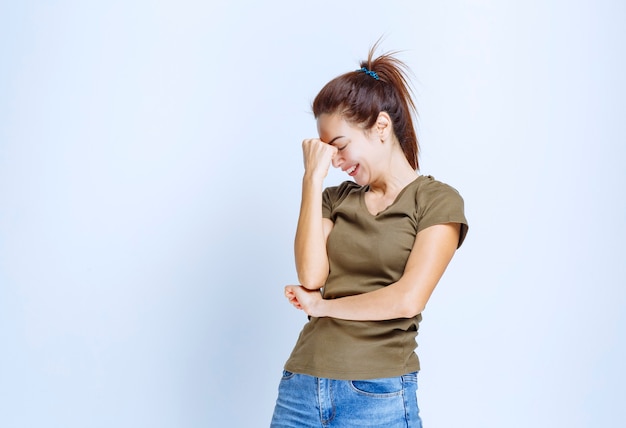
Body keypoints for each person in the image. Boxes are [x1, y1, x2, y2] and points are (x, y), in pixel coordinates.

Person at [270, 43, 469, 428]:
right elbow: (313, 277)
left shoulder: (436, 201)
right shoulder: (334, 198)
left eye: (339, 147)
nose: (336, 161)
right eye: (326, 152)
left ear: (380, 127)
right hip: (302, 384)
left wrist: (324, 307)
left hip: (378, 393)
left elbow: (408, 299)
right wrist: (312, 178)